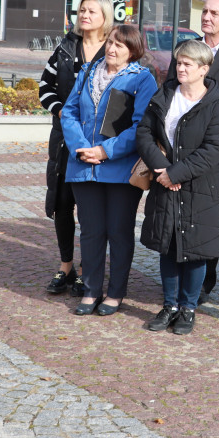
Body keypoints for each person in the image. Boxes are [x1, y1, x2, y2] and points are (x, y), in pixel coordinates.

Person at [61, 24, 157, 316]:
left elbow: (142, 126)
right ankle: (91, 291)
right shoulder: (88, 71)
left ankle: (115, 293)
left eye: (120, 45)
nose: (112, 49)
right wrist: (81, 147)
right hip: (84, 166)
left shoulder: (142, 78)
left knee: (118, 232)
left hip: (120, 170)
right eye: (111, 42)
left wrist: (105, 150)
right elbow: (69, 112)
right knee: (91, 232)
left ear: (133, 51)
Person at [137, 40, 219, 335]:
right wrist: (162, 170)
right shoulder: (165, 94)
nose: (180, 68)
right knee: (167, 247)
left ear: (204, 69)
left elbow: (213, 149)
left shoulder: (217, 104)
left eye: (188, 64)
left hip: (200, 188)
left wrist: (176, 173)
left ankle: (188, 308)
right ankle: (170, 306)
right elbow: (144, 133)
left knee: (196, 250)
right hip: (164, 183)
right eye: (179, 62)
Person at [165, 0, 219, 304]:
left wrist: (203, 97)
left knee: (208, 219)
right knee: (174, 213)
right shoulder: (185, 49)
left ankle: (203, 283)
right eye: (205, 11)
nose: (207, 17)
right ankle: (175, 280)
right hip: (178, 148)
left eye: (215, 13)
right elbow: (168, 92)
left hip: (218, 152)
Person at [38, 0, 112, 297]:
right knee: (63, 204)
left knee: (92, 208)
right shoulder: (66, 48)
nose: (85, 15)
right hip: (64, 140)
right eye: (82, 10)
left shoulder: (113, 48)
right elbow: (45, 87)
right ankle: (66, 265)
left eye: (92, 11)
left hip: (99, 142)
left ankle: (86, 269)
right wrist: (62, 113)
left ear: (105, 17)